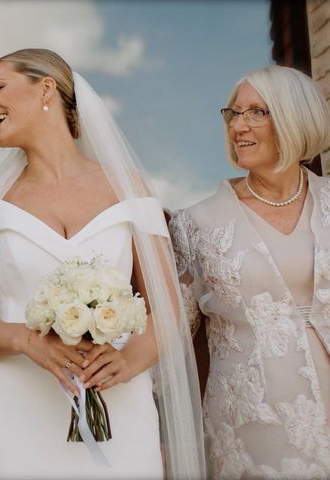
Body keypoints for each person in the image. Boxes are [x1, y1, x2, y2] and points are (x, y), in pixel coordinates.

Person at [0, 48, 205, 479]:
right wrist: (28, 341)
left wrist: (129, 362)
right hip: (15, 412)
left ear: (45, 88)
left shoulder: (129, 189)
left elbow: (169, 307)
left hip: (120, 408)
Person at [170, 65, 330, 478]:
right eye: (233, 113)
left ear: (295, 118)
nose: (238, 126)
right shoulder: (197, 223)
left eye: (256, 112)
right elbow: (170, 335)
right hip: (252, 424)